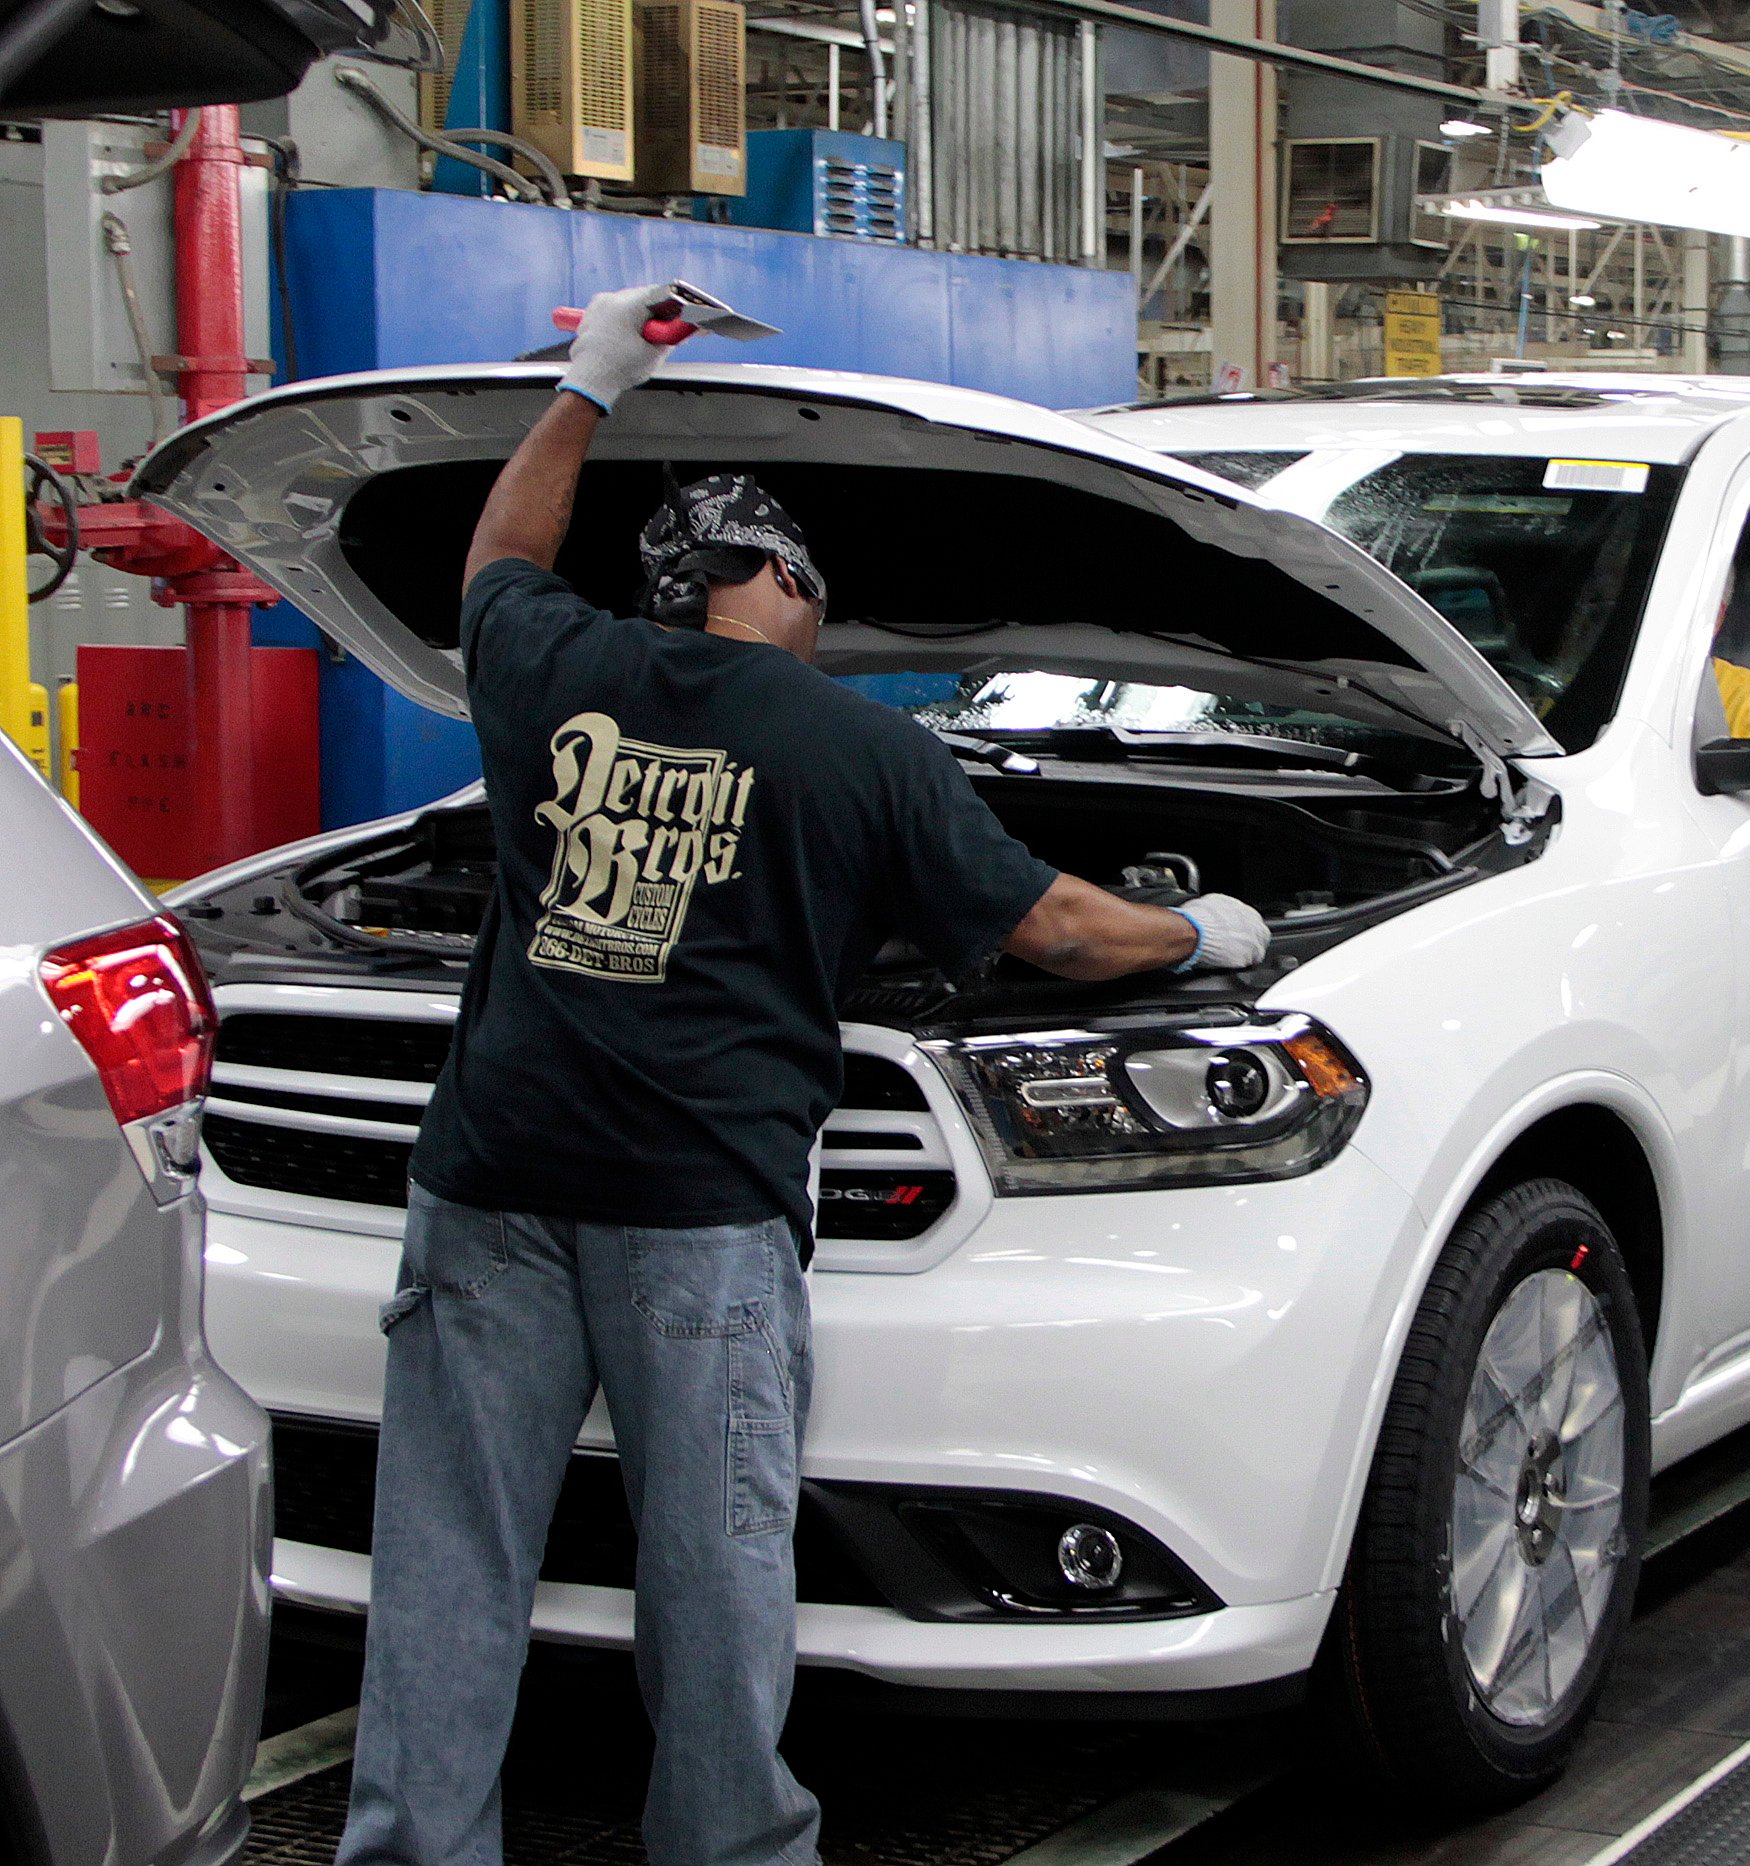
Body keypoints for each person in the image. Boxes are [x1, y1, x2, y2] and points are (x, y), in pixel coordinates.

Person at [334, 285, 1272, 1866]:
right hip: (697, 1219)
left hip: (487, 1185)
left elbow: (500, 552)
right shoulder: (865, 748)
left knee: (449, 1556)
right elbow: (1053, 927)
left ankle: (416, 1849)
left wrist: (592, 383)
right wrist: (1200, 922)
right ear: (777, 578)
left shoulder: (551, 662)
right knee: (711, 1571)